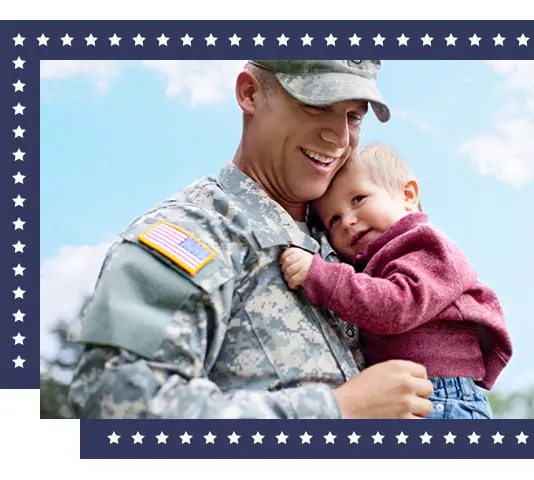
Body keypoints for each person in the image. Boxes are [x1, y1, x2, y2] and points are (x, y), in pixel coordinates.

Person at [67, 60, 435, 419]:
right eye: (317, 104)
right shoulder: (194, 230)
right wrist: (339, 410)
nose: (339, 136)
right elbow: (115, 400)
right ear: (250, 93)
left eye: (353, 116)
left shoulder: (352, 240)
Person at [279, 143, 513, 419]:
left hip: (440, 398)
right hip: (405, 399)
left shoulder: (425, 245)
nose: (348, 221)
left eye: (358, 199)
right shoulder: (369, 262)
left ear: (408, 195)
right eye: (333, 219)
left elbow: (396, 306)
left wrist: (320, 276)